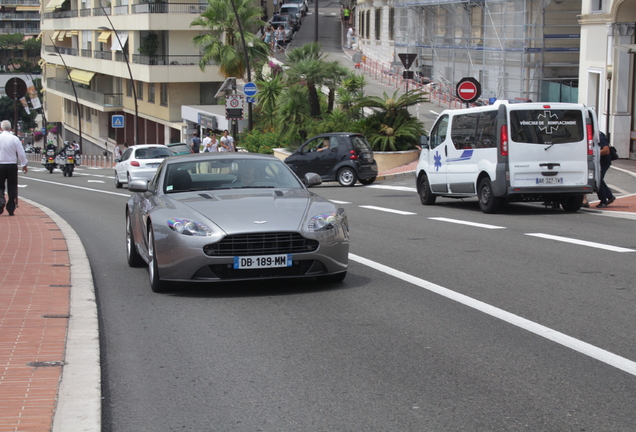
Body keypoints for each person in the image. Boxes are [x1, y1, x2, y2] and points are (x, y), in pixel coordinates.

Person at [0, 120, 28, 216]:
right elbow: (21, 153)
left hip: (0, 164)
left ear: (1, 128)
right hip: (12, 164)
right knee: (12, 186)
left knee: (0, 185)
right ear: (11, 128)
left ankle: (1, 199)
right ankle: (11, 207)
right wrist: (24, 164)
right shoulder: (15, 139)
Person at [596, 131, 616, 208]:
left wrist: (594, 153)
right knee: (599, 179)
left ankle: (603, 201)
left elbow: (606, 150)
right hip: (599, 162)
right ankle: (610, 196)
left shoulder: (599, 135)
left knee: (598, 180)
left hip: (604, 162)